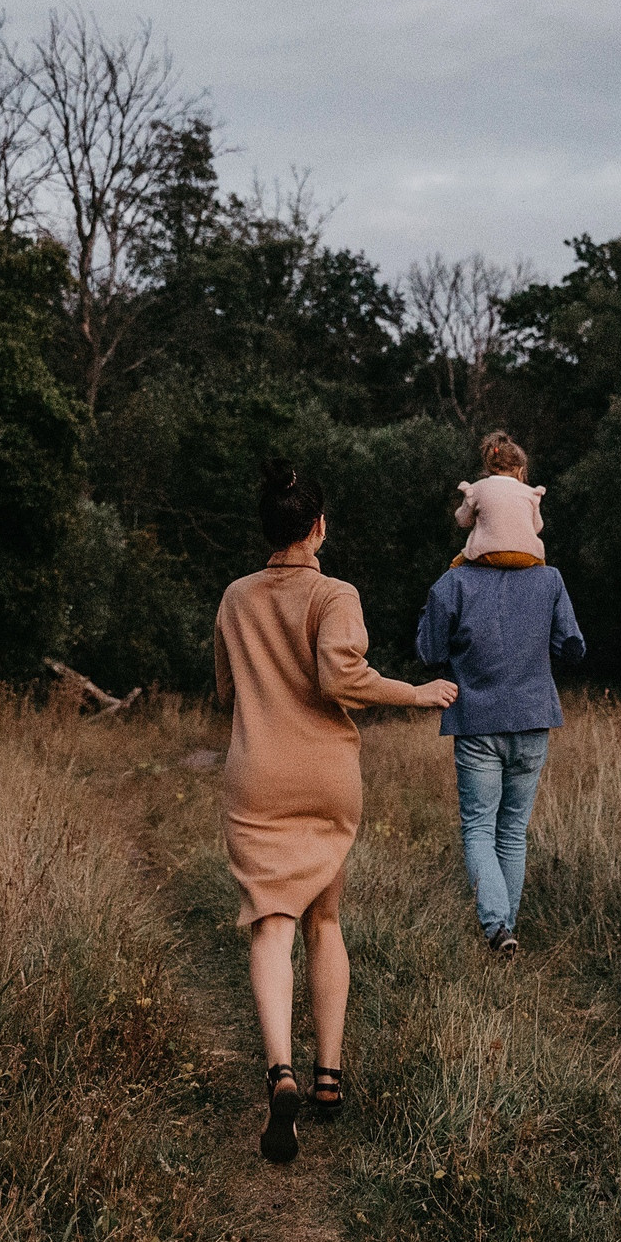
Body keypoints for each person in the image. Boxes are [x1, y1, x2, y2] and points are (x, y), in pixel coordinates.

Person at [214, 460, 459, 1163]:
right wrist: (416, 693)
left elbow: (226, 691)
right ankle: (329, 1077)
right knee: (325, 919)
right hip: (325, 778)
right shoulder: (335, 594)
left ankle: (280, 1072)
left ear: (268, 529)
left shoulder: (235, 598)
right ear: (318, 527)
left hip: (259, 777)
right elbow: (340, 676)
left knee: (271, 923)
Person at [414, 496, 586, 955]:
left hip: (476, 722)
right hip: (532, 719)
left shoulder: (453, 582)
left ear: (477, 523)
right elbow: (572, 646)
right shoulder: (550, 580)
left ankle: (497, 928)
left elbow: (430, 652)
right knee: (512, 830)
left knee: (479, 828)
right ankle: (505, 928)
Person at [451, 430, 546, 567]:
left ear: (489, 468)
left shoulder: (477, 488)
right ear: (520, 471)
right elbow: (537, 527)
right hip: (526, 556)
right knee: (543, 565)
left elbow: (463, 521)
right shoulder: (531, 493)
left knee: (455, 566)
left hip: (487, 554)